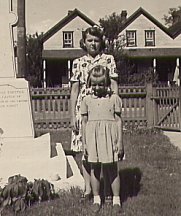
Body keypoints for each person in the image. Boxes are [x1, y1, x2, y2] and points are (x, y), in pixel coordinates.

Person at [70, 25, 118, 201]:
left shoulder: (108, 59)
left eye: (96, 40)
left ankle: (106, 188)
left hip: (104, 109)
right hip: (84, 110)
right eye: (89, 40)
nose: (93, 44)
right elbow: (74, 91)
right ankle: (88, 188)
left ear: (101, 42)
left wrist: (114, 107)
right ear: (84, 42)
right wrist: (72, 115)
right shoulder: (77, 62)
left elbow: (113, 85)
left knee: (104, 148)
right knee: (85, 149)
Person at [81, 65, 124, 213]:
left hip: (109, 138)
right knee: (94, 168)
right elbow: (84, 123)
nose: (97, 87)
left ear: (107, 84)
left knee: (112, 169)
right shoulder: (86, 100)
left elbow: (118, 121)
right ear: (89, 84)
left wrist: (120, 142)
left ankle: (116, 199)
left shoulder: (114, 99)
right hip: (92, 139)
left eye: (101, 84)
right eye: (94, 84)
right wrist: (85, 143)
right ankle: (97, 198)